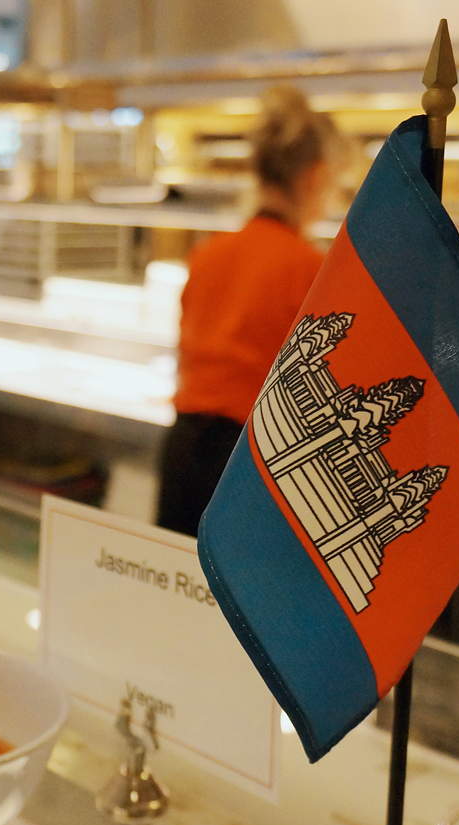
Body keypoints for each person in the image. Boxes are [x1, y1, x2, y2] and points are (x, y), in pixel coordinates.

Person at [155, 87, 337, 535]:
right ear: (314, 178)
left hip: (183, 451)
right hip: (250, 468)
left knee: (175, 592)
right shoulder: (314, 271)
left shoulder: (208, 254)